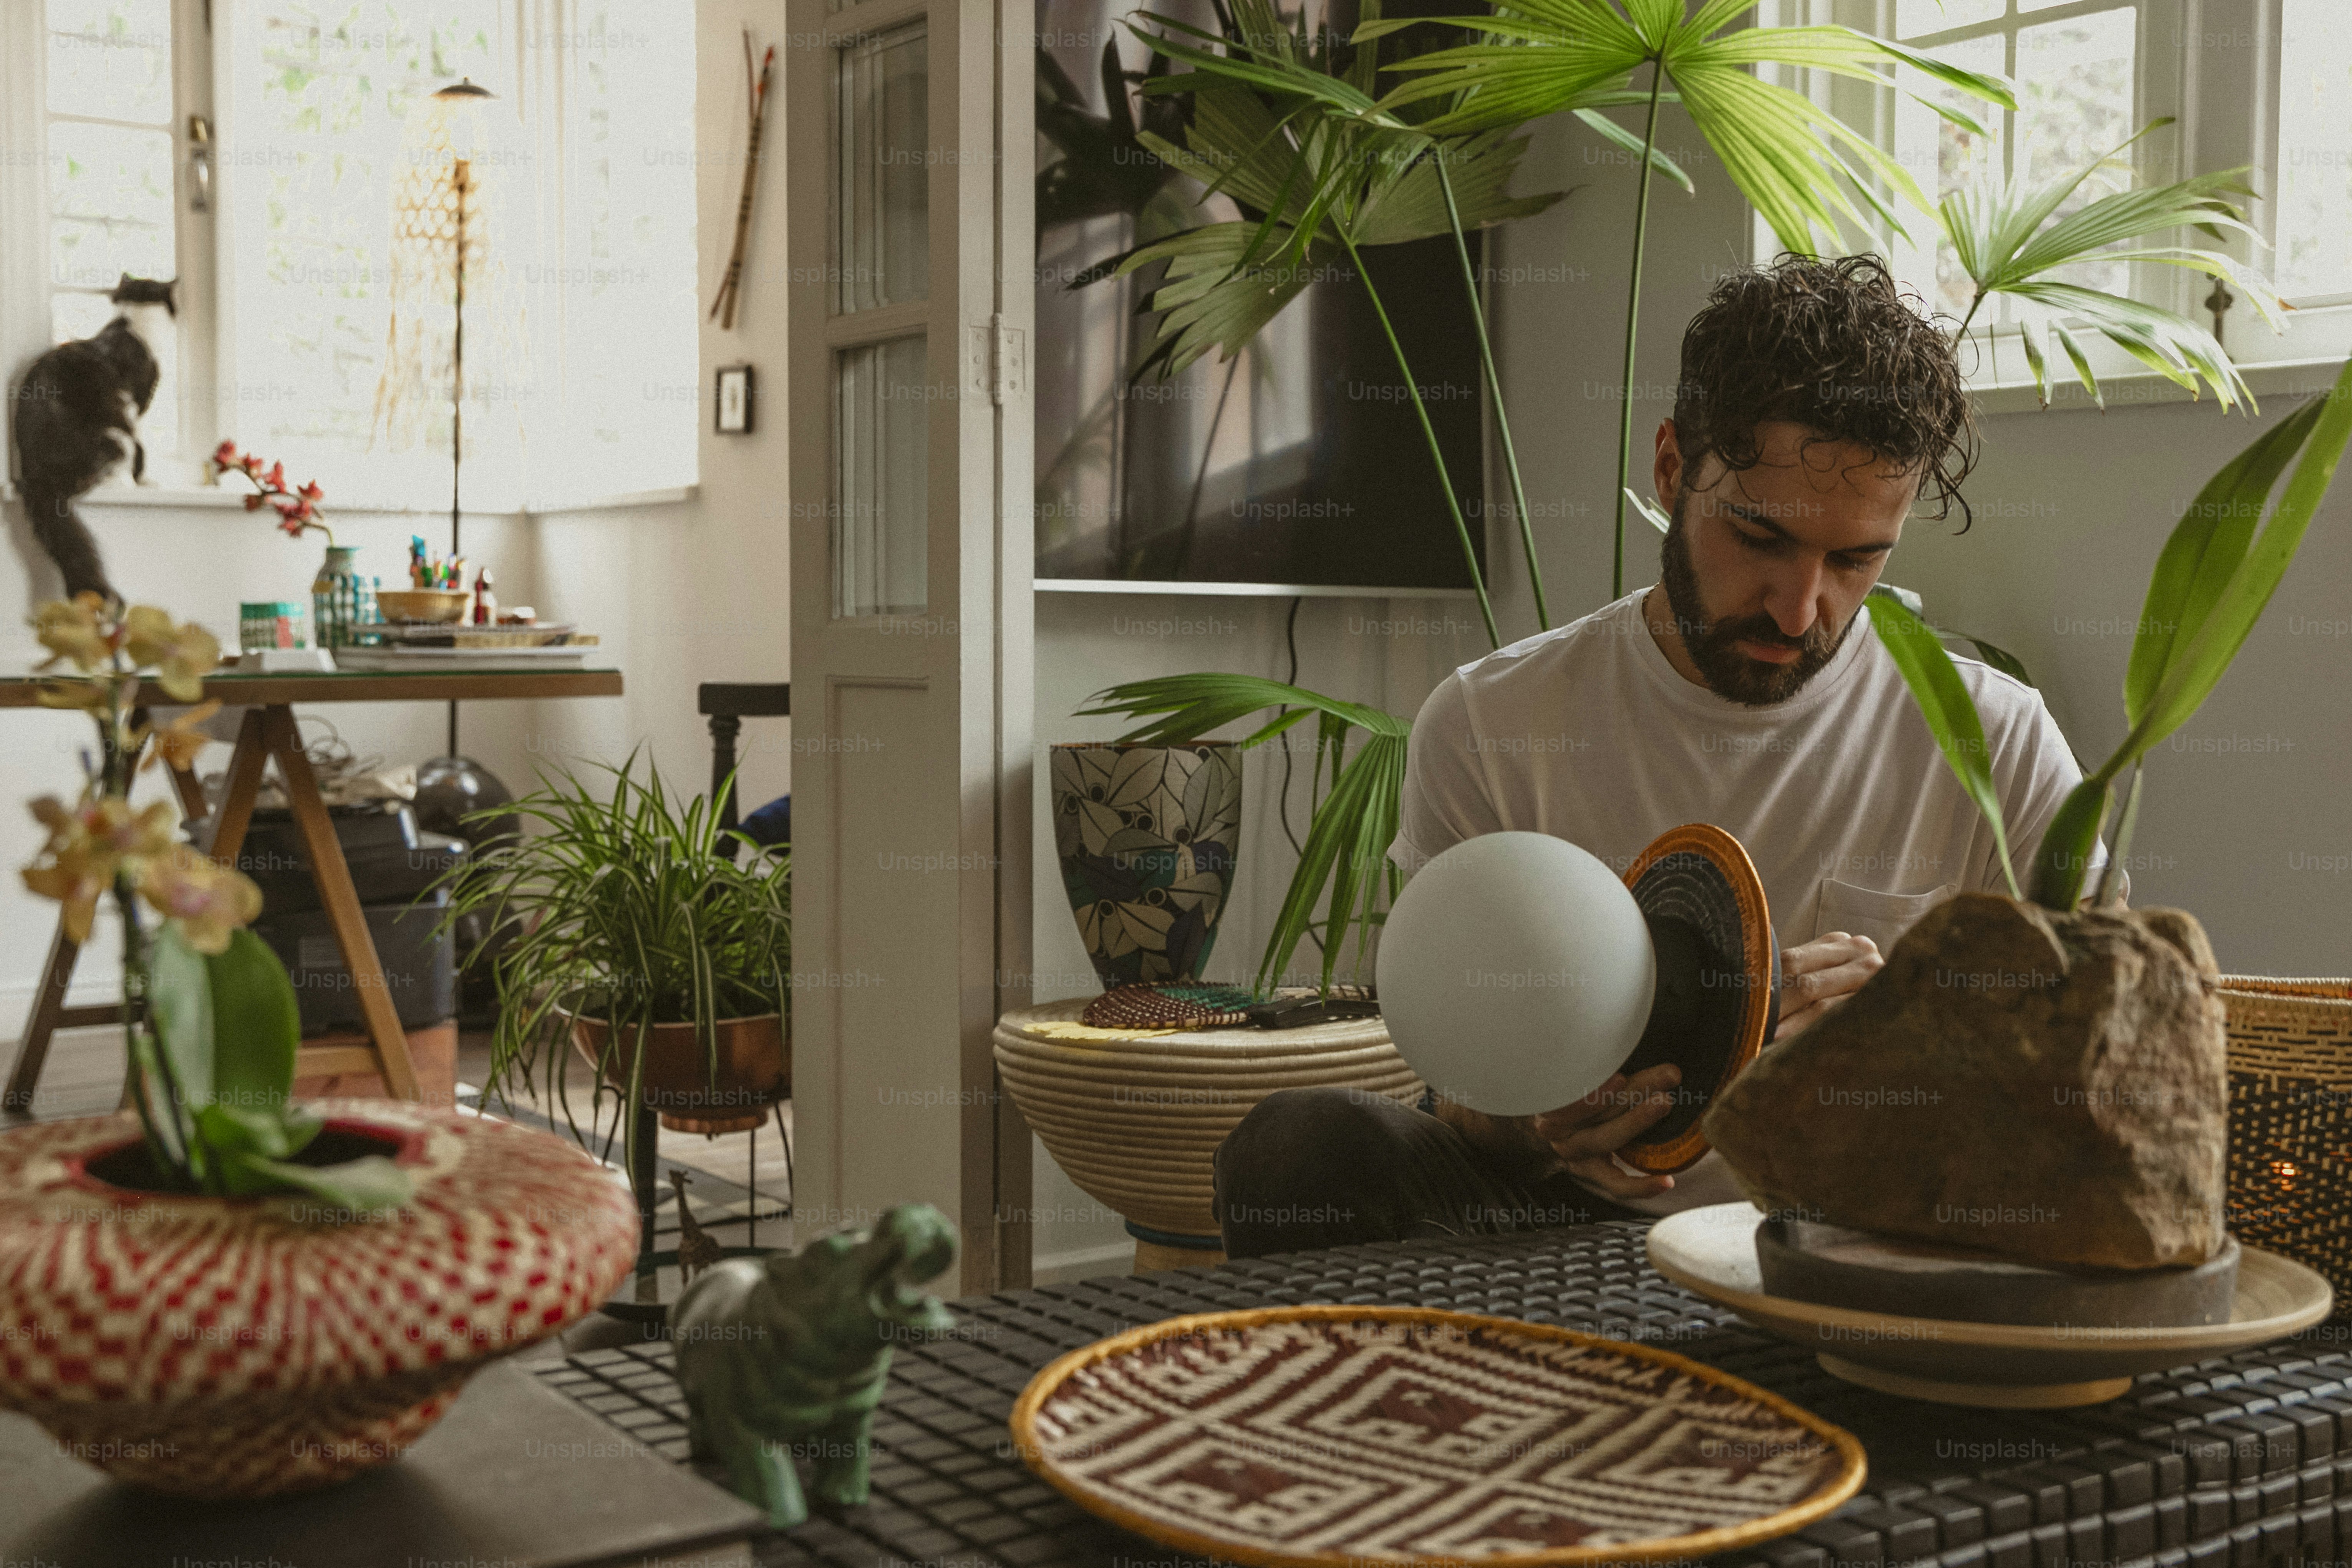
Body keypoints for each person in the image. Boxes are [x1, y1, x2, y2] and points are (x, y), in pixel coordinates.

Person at [1214, 254, 2110, 1259]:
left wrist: (1914, 1053)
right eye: (1759, 538)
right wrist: (1535, 1123)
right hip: (1561, 1230)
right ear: (1674, 469)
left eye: (1855, 558)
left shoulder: (1995, 740)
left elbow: (2096, 1086)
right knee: (1301, 1150)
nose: (1799, 608)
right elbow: (1464, 1106)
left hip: (1852, 1242)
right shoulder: (1489, 722)